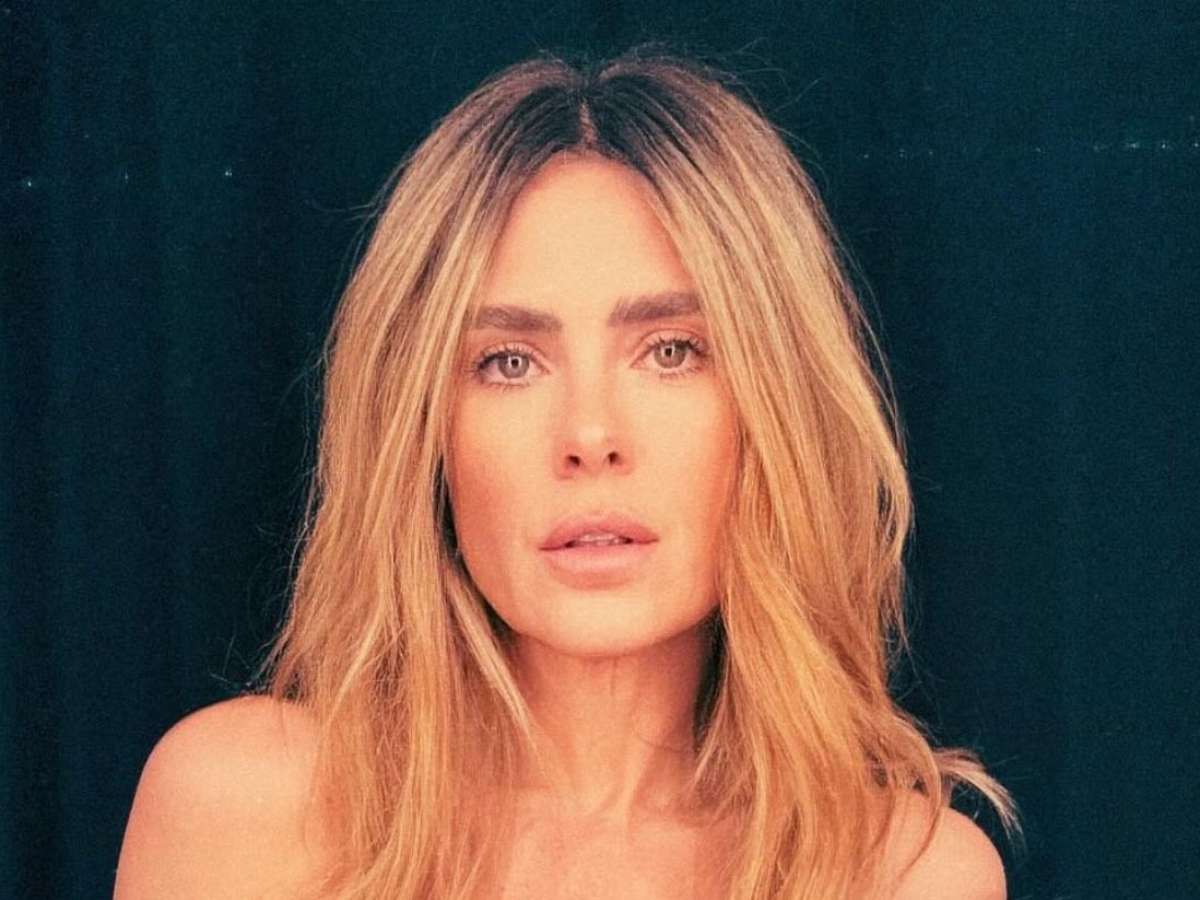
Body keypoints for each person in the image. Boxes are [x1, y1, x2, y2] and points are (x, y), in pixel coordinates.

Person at [114, 43, 1023, 899]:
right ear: (422, 431)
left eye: (672, 350)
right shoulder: (240, 807)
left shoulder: (906, 873)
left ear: (779, 405)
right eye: (509, 361)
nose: (590, 435)